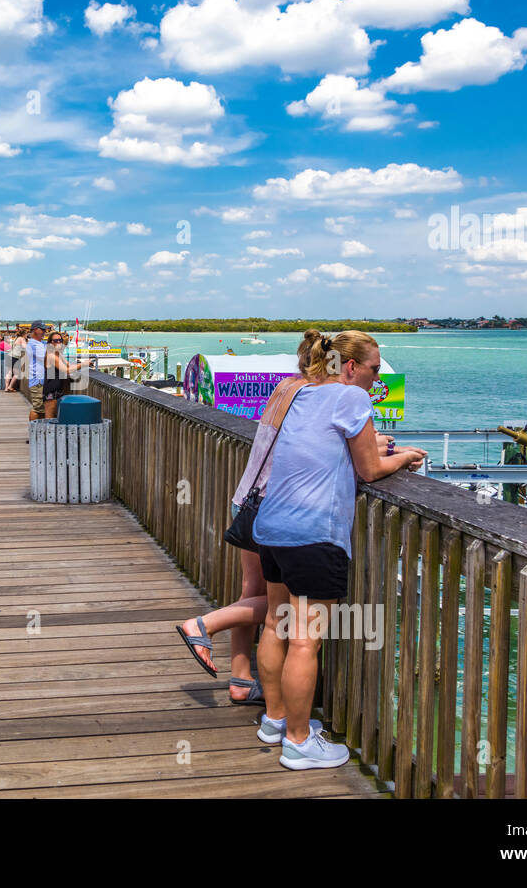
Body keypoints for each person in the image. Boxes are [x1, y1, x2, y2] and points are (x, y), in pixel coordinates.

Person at [176, 336, 425, 704]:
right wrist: (392, 452)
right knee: (287, 613)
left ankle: (242, 679)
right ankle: (206, 626)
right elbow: (347, 459)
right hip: (280, 503)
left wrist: (378, 444)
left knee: (256, 594)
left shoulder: (288, 389)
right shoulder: (315, 394)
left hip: (249, 498)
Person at [252, 330, 424, 771]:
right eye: (373, 368)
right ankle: (298, 741)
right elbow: (369, 469)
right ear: (351, 368)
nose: (376, 376)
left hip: (271, 525)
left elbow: (322, 452)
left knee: (275, 624)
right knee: (306, 643)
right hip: (314, 533)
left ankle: (273, 721)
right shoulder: (352, 399)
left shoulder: (302, 393)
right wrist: (404, 458)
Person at [42, 332, 89, 419]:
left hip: (59, 390)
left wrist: (82, 363)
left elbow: (69, 366)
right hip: (51, 391)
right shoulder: (51, 355)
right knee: (49, 419)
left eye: (60, 340)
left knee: (57, 418)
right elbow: (66, 370)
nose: (59, 342)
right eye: (56, 340)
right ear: (50, 343)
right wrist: (84, 364)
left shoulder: (58, 354)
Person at [25, 321, 49, 421]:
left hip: (40, 380)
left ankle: (36, 432)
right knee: (38, 409)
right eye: (42, 329)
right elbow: (47, 359)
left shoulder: (39, 343)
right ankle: (33, 431)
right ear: (35, 330)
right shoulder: (34, 345)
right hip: (37, 381)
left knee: (42, 409)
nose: (44, 332)